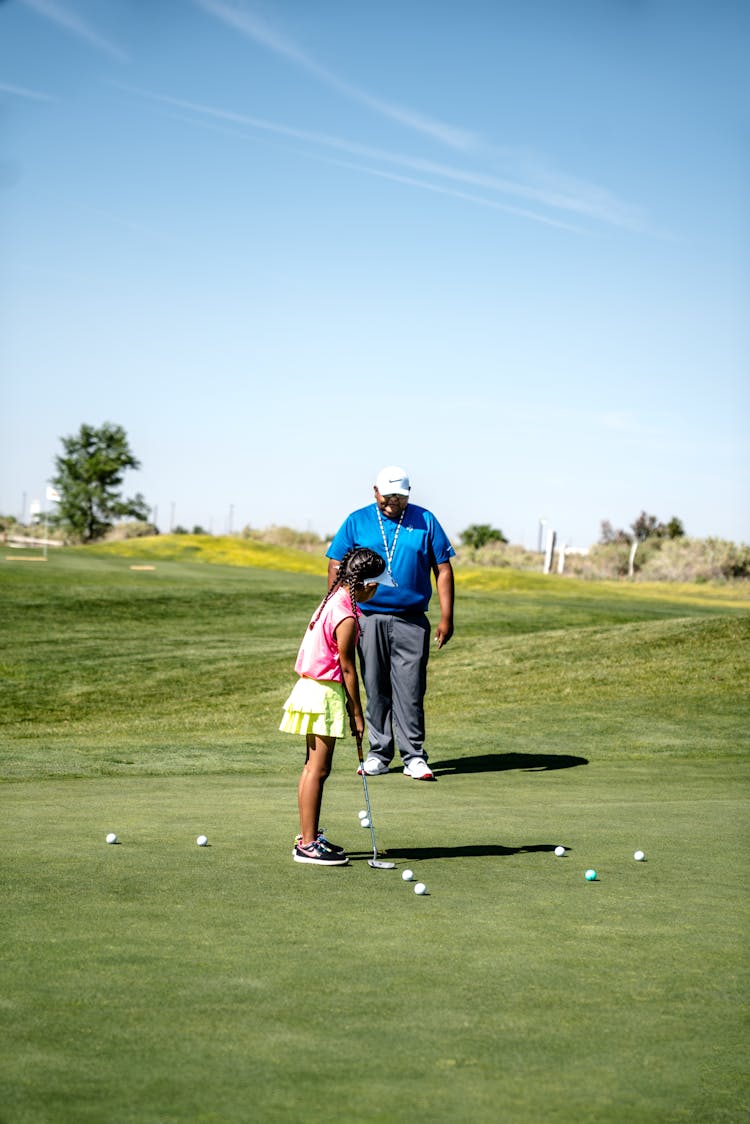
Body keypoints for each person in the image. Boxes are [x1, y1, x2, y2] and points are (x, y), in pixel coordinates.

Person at [327, 466, 455, 782]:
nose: (392, 501)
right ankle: (379, 753)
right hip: (366, 618)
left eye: (399, 496)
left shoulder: (425, 521)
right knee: (375, 686)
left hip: (412, 619)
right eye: (387, 495)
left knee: (410, 690)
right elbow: (334, 564)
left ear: (407, 495)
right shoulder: (357, 521)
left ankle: (414, 757)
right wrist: (336, 609)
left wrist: (446, 616)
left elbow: (444, 569)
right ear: (375, 491)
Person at [280, 547, 394, 865]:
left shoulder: (333, 599)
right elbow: (347, 668)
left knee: (311, 768)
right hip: (323, 694)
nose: (377, 590)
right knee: (319, 769)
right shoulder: (346, 614)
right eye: (377, 586)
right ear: (366, 584)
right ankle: (307, 845)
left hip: (310, 690)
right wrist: (357, 713)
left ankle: (308, 836)